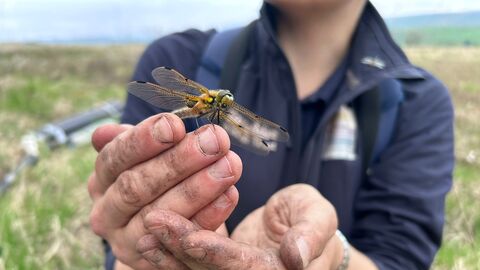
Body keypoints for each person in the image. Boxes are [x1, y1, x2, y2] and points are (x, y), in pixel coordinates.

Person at [88, 0, 454, 269]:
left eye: (228, 100)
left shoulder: (419, 102)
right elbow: (120, 242)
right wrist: (137, 249)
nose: (228, 101)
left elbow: (400, 258)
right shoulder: (179, 56)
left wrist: (331, 256)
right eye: (225, 99)